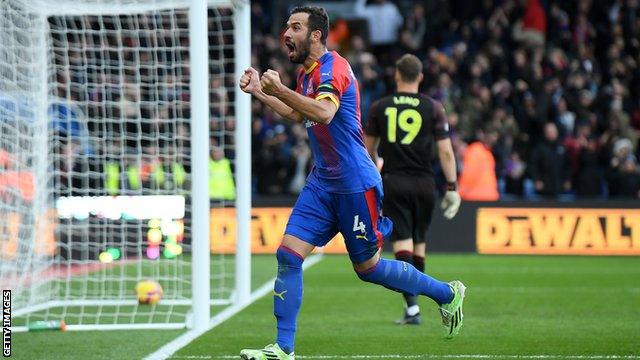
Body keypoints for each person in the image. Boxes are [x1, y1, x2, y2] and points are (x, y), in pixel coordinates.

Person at [238, 6, 466, 360]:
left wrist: (279, 89)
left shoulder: (335, 68)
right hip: (322, 183)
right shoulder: (308, 74)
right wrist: (260, 92)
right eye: (286, 26)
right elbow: (299, 113)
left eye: (295, 27)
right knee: (287, 255)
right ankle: (283, 348)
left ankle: (447, 294)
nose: (286, 33)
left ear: (316, 35)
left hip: (354, 183)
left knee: (369, 269)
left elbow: (325, 112)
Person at [364, 54, 462, 326]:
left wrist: (375, 171)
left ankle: (412, 310)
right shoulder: (434, 107)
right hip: (425, 183)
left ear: (397, 75)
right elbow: (445, 150)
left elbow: (367, 149)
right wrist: (452, 187)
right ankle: (417, 305)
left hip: (394, 181)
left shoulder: (380, 107)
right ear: (420, 77)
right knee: (419, 243)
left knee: (403, 244)